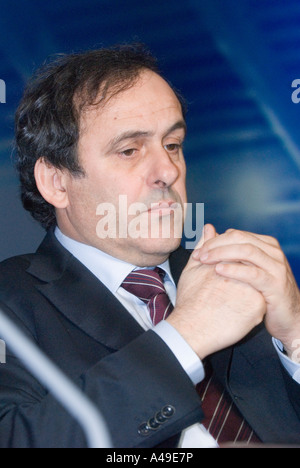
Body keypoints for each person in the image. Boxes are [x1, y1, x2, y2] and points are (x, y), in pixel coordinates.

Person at [0, 44, 300, 448]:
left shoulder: (233, 277)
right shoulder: (11, 304)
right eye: (129, 150)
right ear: (57, 182)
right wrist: (186, 336)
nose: (168, 171)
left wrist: (295, 335)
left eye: (172, 145)